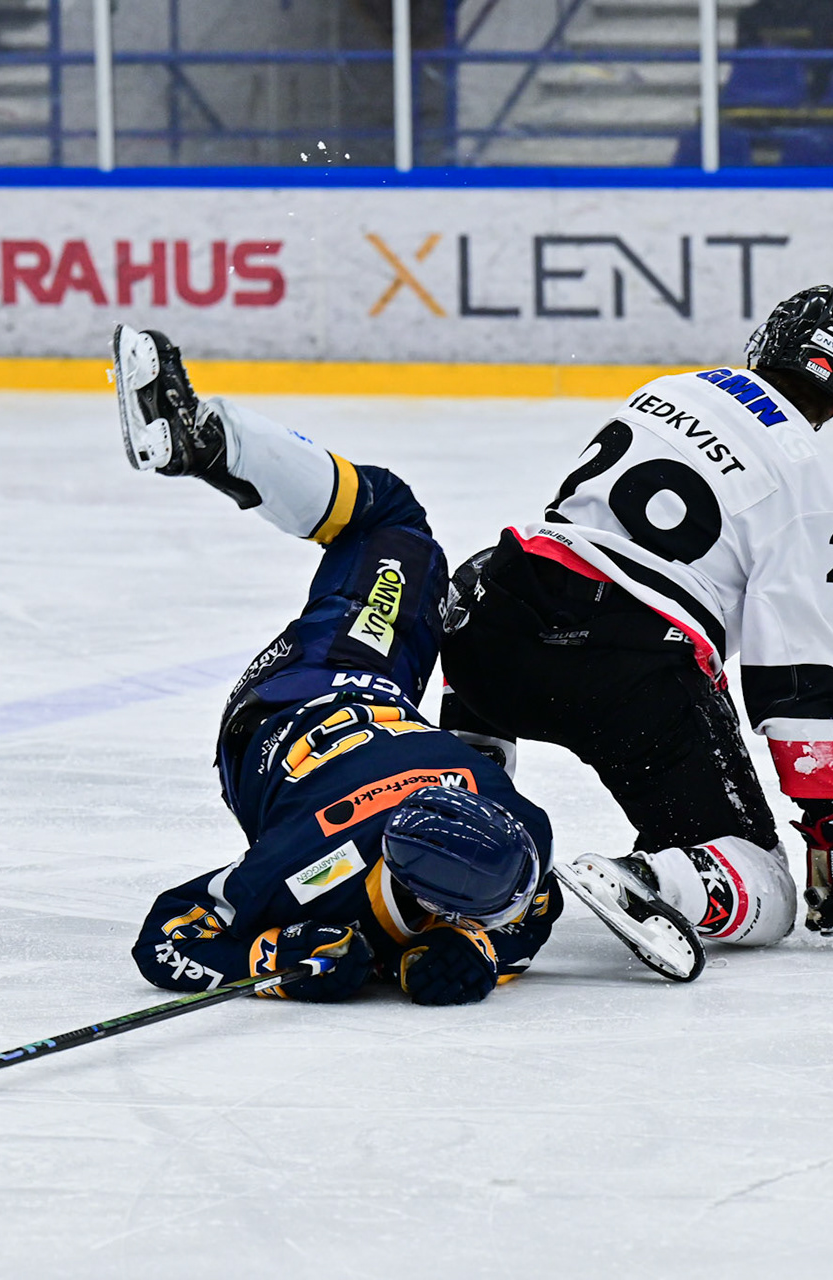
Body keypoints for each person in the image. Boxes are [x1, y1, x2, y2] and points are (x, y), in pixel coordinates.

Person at [112, 326, 561, 1006]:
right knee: (392, 522)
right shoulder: (302, 869)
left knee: (393, 525)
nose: (518, 907)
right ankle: (202, 441)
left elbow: (539, 903)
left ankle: (215, 441)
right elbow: (168, 936)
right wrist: (272, 955)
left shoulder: (520, 828)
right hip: (311, 707)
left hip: (337, 692)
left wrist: (478, 947)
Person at [439, 285, 833, 949]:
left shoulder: (673, 390)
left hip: (491, 629)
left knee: (504, 588)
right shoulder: (812, 485)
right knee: (766, 886)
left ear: (766, 344)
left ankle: (462, 810)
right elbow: (801, 679)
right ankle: (649, 880)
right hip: (622, 674)